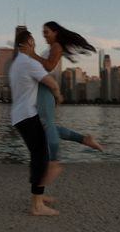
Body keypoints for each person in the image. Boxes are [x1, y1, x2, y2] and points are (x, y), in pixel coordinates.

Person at [31, 21, 104, 163]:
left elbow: (49, 66)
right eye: (43, 32)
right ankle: (84, 139)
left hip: (43, 89)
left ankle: (53, 162)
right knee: (44, 128)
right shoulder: (52, 47)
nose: (44, 35)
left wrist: (31, 54)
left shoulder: (56, 47)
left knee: (46, 126)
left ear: (55, 32)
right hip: (39, 89)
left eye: (46, 32)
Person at [10, 30, 63, 216]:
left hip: (19, 115)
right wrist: (58, 96)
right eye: (34, 42)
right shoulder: (29, 63)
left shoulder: (16, 64)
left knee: (37, 155)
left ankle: (39, 195)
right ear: (30, 42)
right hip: (27, 115)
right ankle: (37, 205)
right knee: (41, 155)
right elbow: (52, 83)